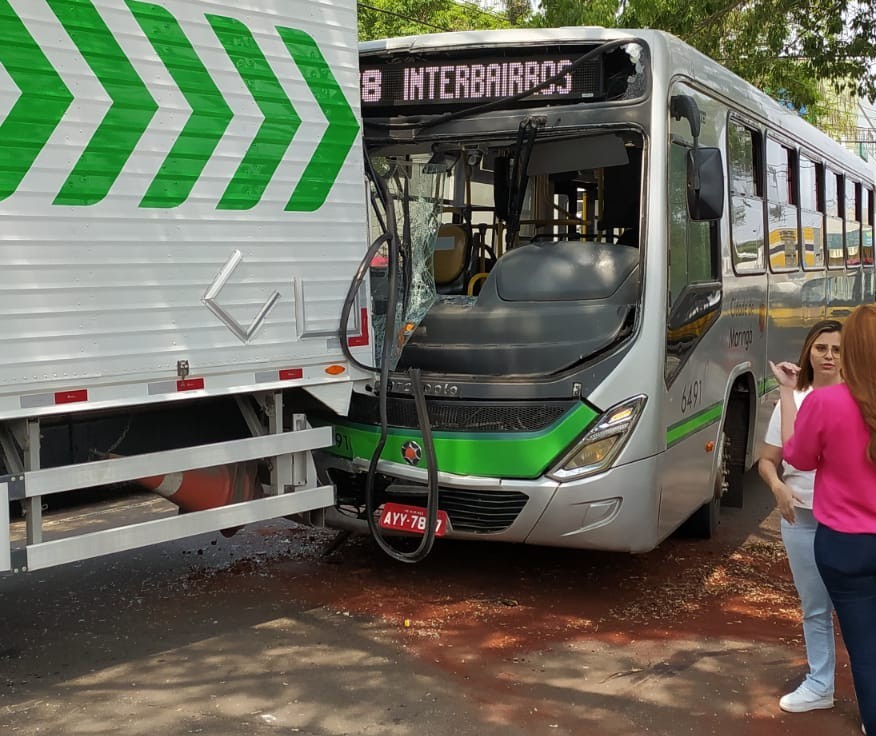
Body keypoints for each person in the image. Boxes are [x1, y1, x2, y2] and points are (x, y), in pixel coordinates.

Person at [772, 304, 876, 735]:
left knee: (865, 648)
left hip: (845, 543)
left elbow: (795, 456)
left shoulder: (828, 402)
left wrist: (787, 394)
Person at [758, 319, 842, 712]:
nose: (829, 356)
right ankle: (820, 684)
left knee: (860, 605)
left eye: (838, 350)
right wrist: (777, 488)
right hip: (801, 521)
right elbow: (767, 460)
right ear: (809, 350)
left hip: (849, 521)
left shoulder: (859, 398)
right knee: (815, 606)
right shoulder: (794, 399)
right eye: (822, 348)